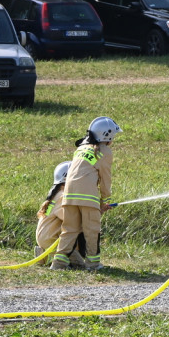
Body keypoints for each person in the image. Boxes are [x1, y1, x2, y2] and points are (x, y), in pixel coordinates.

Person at [52, 116, 121, 271]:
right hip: (88, 197)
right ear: (107, 135)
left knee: (69, 230)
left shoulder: (81, 149)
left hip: (69, 196)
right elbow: (105, 177)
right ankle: (93, 264)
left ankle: (58, 263)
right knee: (92, 231)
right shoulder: (105, 151)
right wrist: (105, 199)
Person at [35, 161, 85, 267]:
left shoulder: (56, 194)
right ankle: (59, 258)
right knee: (80, 265)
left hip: (44, 238)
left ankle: (42, 253)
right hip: (51, 239)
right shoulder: (63, 197)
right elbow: (71, 219)